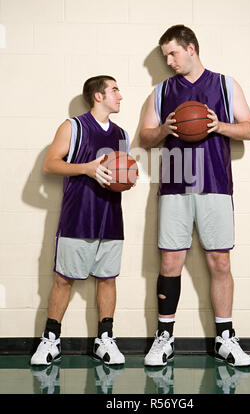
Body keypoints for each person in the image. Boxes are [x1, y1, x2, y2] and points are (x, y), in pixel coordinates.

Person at [140, 25, 250, 368]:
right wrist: (163, 130)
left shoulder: (225, 84)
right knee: (169, 263)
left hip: (216, 184)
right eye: (165, 56)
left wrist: (219, 126)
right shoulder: (161, 92)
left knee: (219, 261)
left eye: (173, 53)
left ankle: (225, 338)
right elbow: (145, 138)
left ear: (191, 48)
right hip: (175, 184)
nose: (169, 61)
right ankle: (165, 338)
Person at [31, 75, 129, 367]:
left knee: (108, 278)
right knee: (63, 280)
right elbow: (50, 164)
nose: (120, 95)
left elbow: (117, 173)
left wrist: (127, 179)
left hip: (111, 216)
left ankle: (105, 339)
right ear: (98, 96)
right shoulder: (72, 126)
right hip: (78, 216)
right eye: (114, 90)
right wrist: (86, 169)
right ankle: (50, 340)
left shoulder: (121, 133)